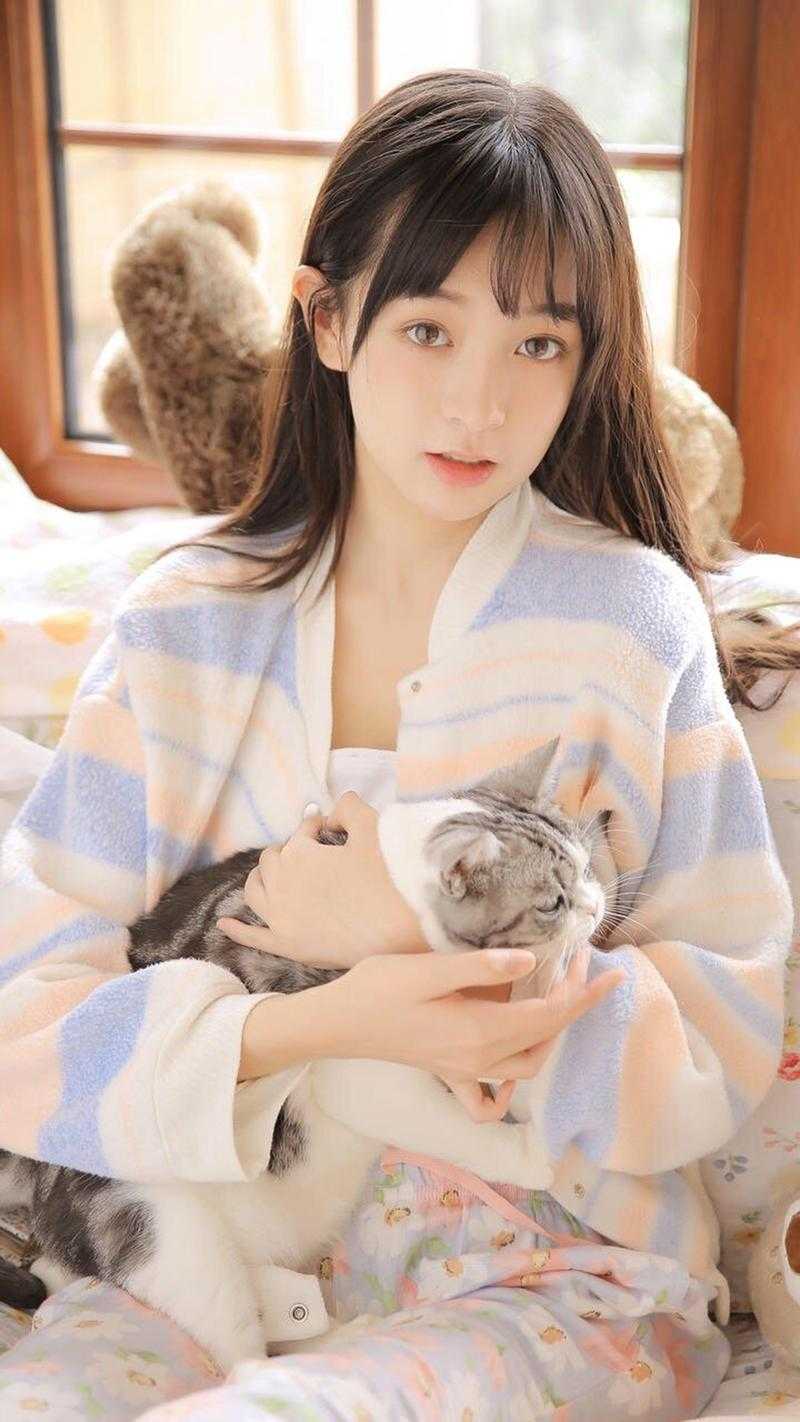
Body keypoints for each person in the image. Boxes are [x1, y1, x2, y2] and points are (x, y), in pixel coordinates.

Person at [0, 69, 796, 1422]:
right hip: (191, 1255)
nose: (478, 404)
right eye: (428, 329)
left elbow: (718, 1030)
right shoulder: (181, 627)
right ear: (326, 319)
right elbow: (29, 1015)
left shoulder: (632, 625)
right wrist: (317, 1020)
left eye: (538, 345)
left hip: (551, 1273)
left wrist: (396, 931)